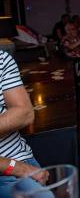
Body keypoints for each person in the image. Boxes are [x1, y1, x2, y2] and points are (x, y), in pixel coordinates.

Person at [0, 50, 48, 197]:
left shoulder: (1, 59)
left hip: (14, 164)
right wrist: (16, 168)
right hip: (15, 167)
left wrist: (16, 167)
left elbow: (25, 114)